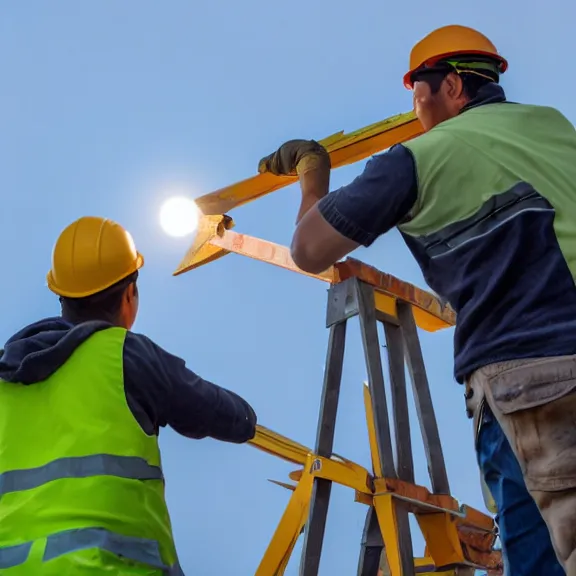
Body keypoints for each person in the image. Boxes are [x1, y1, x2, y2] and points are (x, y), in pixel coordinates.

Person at [258, 24, 576, 575]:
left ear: (451, 86)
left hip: (532, 380)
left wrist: (313, 172)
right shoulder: (554, 128)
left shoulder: (418, 157)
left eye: (417, 94)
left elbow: (309, 248)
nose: (416, 108)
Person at [0, 215, 257, 575]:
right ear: (129, 294)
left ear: (61, 297)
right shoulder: (125, 356)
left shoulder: (4, 382)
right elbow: (230, 417)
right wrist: (248, 418)